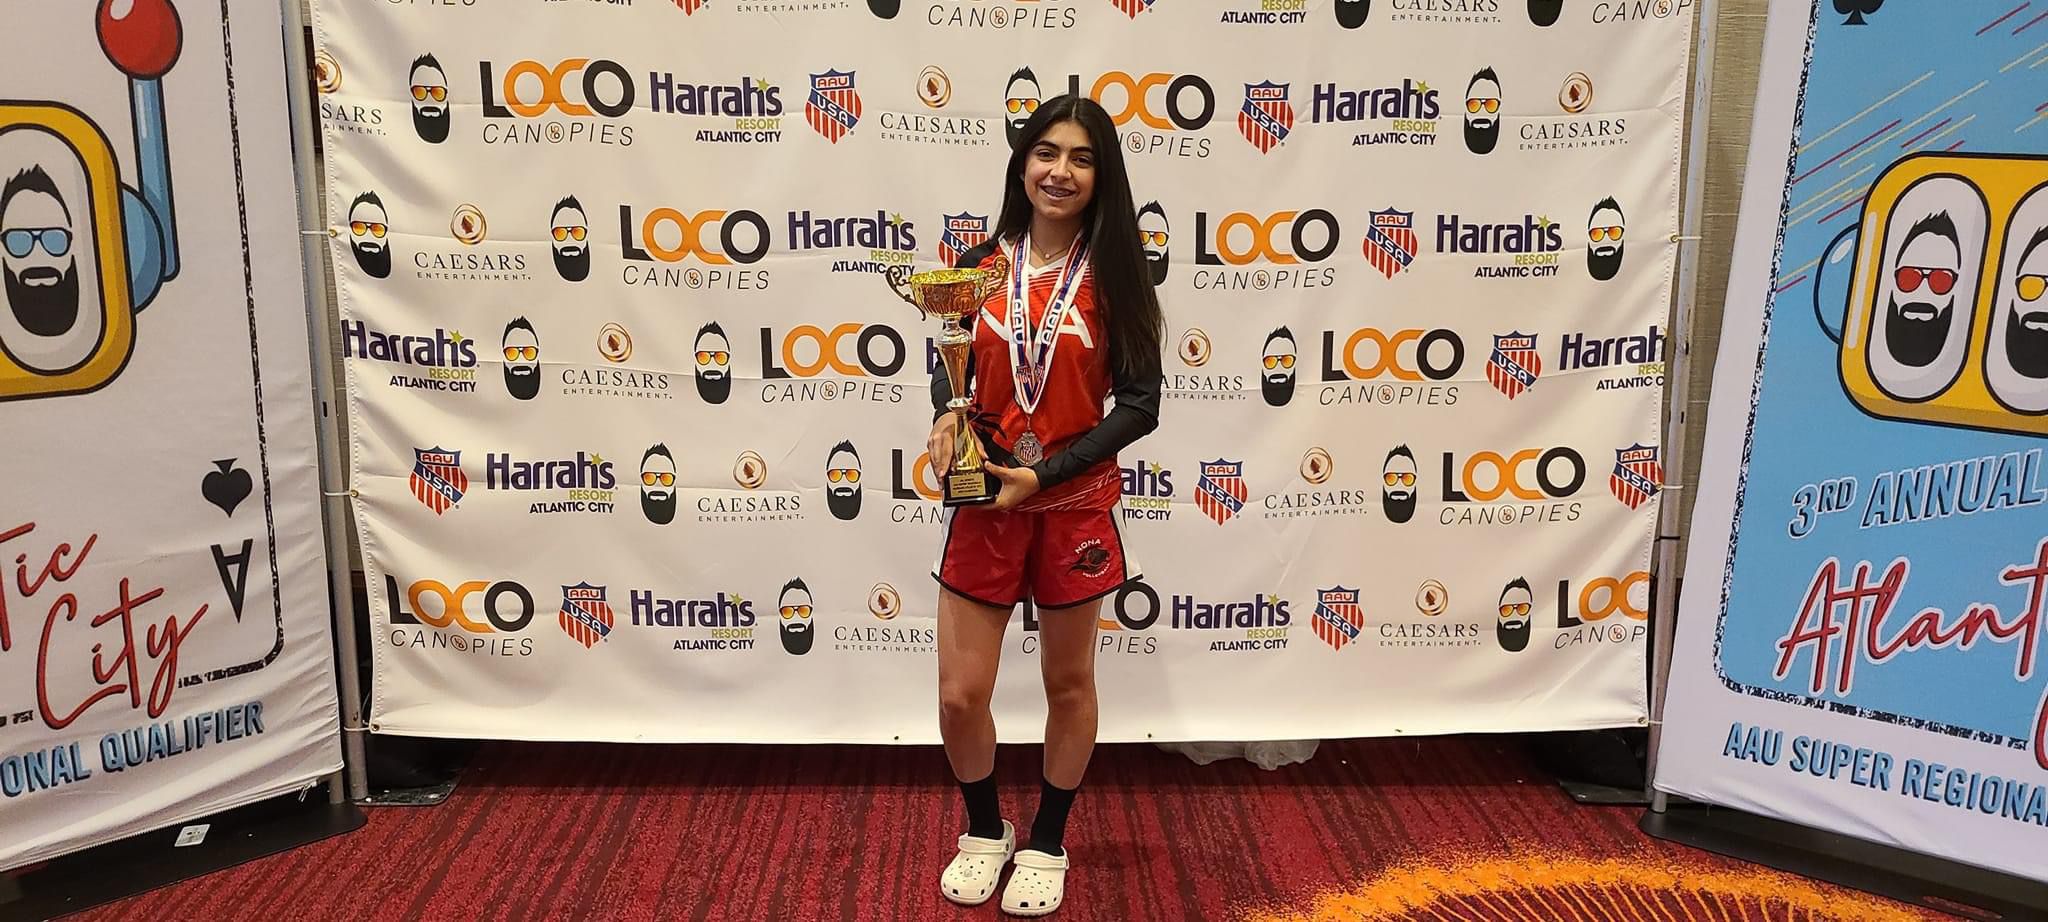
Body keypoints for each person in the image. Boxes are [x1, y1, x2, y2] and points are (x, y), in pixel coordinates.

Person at [925, 95, 1164, 917]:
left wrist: (1049, 475)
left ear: (1102, 176)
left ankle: (1048, 842)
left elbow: (1140, 404)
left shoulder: (1117, 271)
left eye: (1082, 158)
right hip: (986, 503)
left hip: (1073, 508)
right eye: (1046, 152)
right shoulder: (978, 263)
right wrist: (945, 414)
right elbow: (952, 366)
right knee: (960, 694)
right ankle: (984, 830)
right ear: (1022, 163)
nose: (1060, 171)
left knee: (1068, 682)